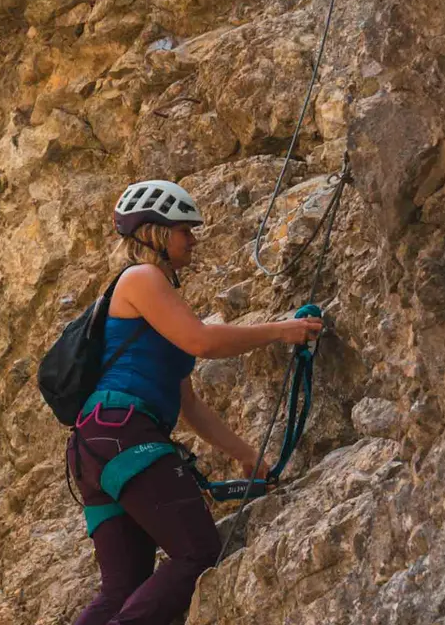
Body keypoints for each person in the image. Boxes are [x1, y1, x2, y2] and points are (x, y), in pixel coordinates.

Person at [68, 179, 324, 625]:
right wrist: (282, 329)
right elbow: (202, 341)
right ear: (157, 233)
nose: (194, 239)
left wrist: (247, 455)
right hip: (125, 436)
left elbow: (190, 407)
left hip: (97, 446)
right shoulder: (141, 279)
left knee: (121, 588)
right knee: (198, 552)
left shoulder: (151, 302)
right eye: (185, 230)